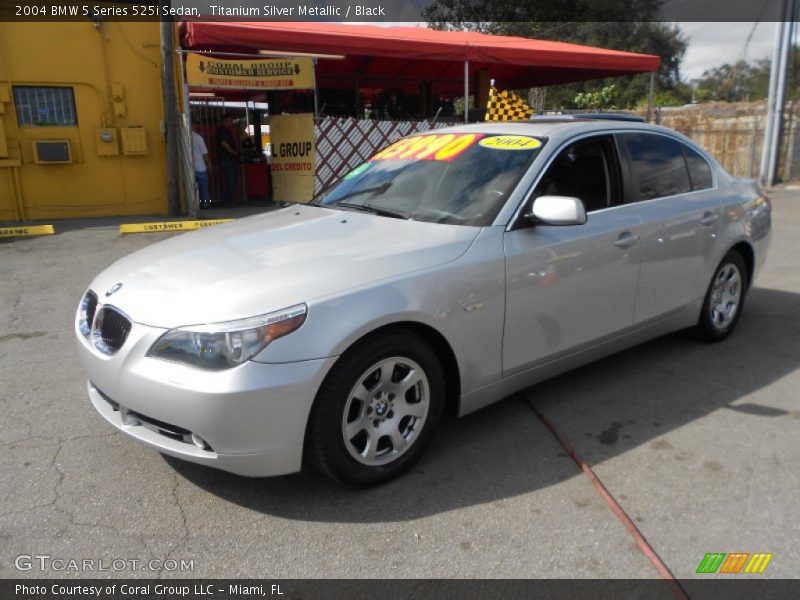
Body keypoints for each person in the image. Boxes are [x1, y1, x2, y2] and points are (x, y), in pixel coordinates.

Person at [216, 114, 239, 203]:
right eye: (229, 120)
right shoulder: (221, 130)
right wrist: (233, 152)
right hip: (225, 158)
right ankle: (228, 198)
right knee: (230, 178)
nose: (230, 123)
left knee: (232, 177)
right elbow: (224, 144)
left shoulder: (227, 130)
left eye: (231, 121)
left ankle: (229, 197)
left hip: (229, 158)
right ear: (224, 120)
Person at [191, 121, 212, 209]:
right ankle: (206, 204)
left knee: (191, 188)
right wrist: (209, 164)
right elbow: (204, 153)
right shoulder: (198, 138)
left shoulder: (183, 136)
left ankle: (193, 205)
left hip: (189, 167)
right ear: (194, 126)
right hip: (200, 166)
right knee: (204, 186)